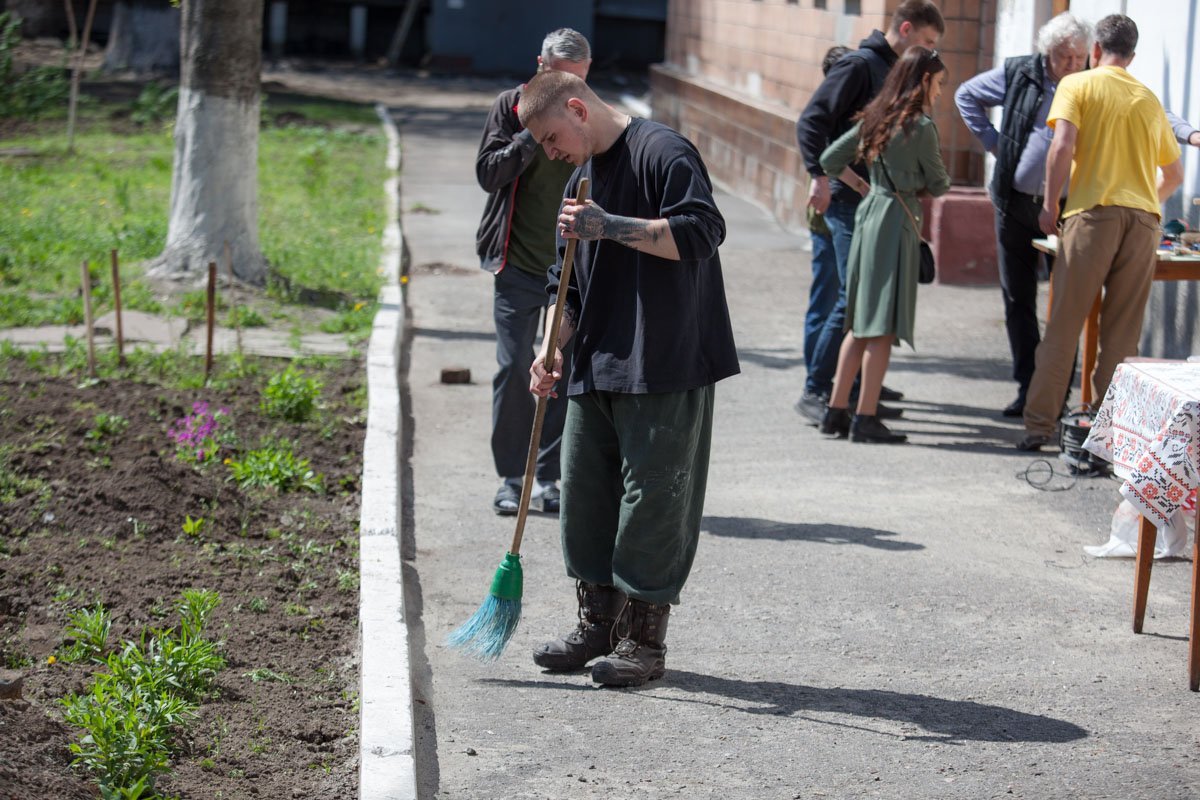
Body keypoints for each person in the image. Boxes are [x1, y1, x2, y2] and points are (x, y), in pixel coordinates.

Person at [516, 70, 739, 687]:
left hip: (666, 358)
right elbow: (570, 285)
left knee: (655, 499)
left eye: (553, 137)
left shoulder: (663, 151)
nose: (551, 152)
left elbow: (702, 232)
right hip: (597, 358)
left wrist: (608, 225)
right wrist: (550, 348)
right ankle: (596, 628)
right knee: (584, 494)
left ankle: (644, 641)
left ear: (579, 110)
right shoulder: (578, 176)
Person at [1019, 14, 1183, 451]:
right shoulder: (1148, 98)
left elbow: (1062, 146)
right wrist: (1148, 200)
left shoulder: (1078, 84)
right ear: (1131, 55)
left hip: (1093, 214)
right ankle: (1108, 439)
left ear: (1095, 50)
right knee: (1122, 337)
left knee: (1064, 326)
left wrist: (1051, 204)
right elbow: (1174, 173)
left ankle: (1039, 427)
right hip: (1143, 220)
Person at [794, 0, 945, 426]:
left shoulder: (888, 70)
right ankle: (818, 390)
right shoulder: (861, 65)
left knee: (860, 299)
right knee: (850, 297)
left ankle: (857, 390)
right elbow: (811, 122)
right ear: (906, 29)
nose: (931, 53)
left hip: (870, 200)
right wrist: (818, 176)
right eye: (928, 42)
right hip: (846, 199)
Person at [474, 28, 591, 516]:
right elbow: (488, 173)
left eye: (579, 81)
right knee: (513, 365)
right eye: (559, 78)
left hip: (569, 269)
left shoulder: (589, 115)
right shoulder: (510, 106)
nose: (569, 92)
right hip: (518, 263)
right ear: (539, 64)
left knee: (558, 368)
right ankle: (511, 476)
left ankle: (548, 477)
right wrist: (531, 131)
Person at [954, 13, 1091, 418]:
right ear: (1048, 52)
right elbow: (966, 95)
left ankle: (1058, 393)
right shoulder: (1019, 73)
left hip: (1067, 208)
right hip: (1015, 202)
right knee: (1018, 298)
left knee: (1064, 303)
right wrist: (998, 146)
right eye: (1066, 57)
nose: (1073, 65)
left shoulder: (1088, 82)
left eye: (1080, 57)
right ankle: (1027, 387)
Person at [817, 47, 952, 444]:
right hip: (895, 223)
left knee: (860, 324)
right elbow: (941, 183)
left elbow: (828, 159)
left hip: (869, 216)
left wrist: (865, 186)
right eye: (939, 83)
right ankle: (866, 417)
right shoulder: (920, 127)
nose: (940, 92)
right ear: (923, 81)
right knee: (881, 328)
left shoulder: (876, 116)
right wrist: (911, 187)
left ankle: (835, 412)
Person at [800, 45, 850, 413]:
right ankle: (814, 384)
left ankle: (853, 380)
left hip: (835, 216)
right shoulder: (827, 119)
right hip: (827, 220)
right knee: (827, 300)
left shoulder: (842, 114)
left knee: (838, 301)